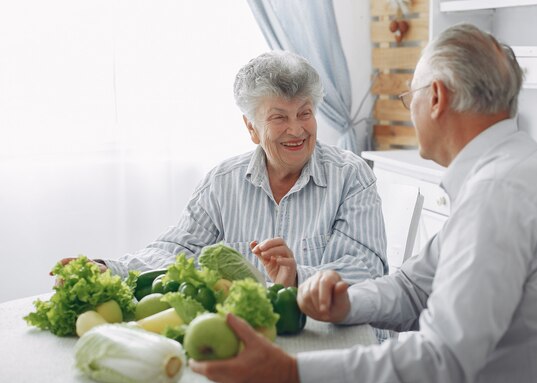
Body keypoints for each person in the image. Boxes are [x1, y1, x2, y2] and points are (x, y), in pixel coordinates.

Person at [189, 23, 537, 383]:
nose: (409, 110)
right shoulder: (511, 171)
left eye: (409, 97)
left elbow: (440, 366)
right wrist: (347, 303)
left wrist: (290, 373)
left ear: (434, 98)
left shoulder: (500, 193)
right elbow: (416, 286)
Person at [56, 51, 388, 287]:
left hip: (327, 336)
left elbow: (365, 269)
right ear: (252, 128)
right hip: (251, 336)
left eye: (304, 113)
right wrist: (109, 269)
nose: (297, 129)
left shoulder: (350, 176)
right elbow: (178, 250)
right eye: (279, 117)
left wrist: (298, 275)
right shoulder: (223, 181)